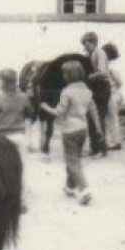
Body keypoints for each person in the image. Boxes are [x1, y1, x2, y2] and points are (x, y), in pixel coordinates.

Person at [41, 60, 101, 205]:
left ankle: (85, 190)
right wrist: (98, 129)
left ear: (67, 76)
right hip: (83, 130)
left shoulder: (66, 91)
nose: (63, 76)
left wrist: (45, 107)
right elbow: (93, 110)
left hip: (69, 131)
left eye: (64, 73)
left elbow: (59, 112)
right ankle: (70, 187)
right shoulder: (87, 90)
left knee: (72, 161)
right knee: (74, 159)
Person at [0, 68, 30, 147]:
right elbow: (30, 114)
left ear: (3, 83)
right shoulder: (24, 97)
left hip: (2, 135)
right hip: (19, 135)